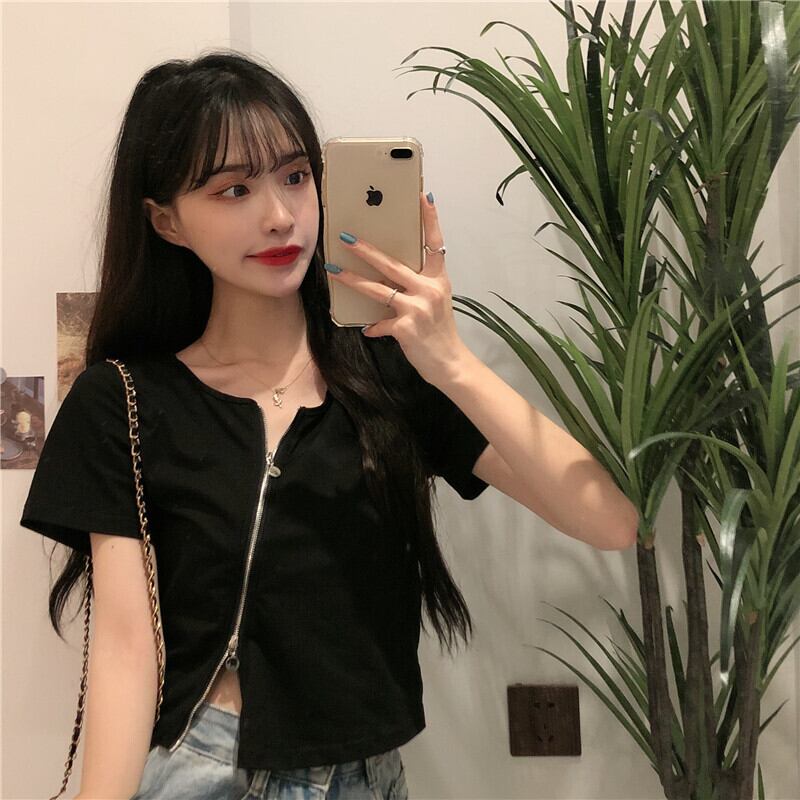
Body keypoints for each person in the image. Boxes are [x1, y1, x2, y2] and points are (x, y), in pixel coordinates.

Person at [19, 51, 638, 800]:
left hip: (368, 780)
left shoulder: (391, 374)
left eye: (294, 176)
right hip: (204, 769)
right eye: (234, 189)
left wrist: (450, 361)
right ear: (167, 221)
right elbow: (125, 648)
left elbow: (608, 521)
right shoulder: (121, 402)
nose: (279, 215)